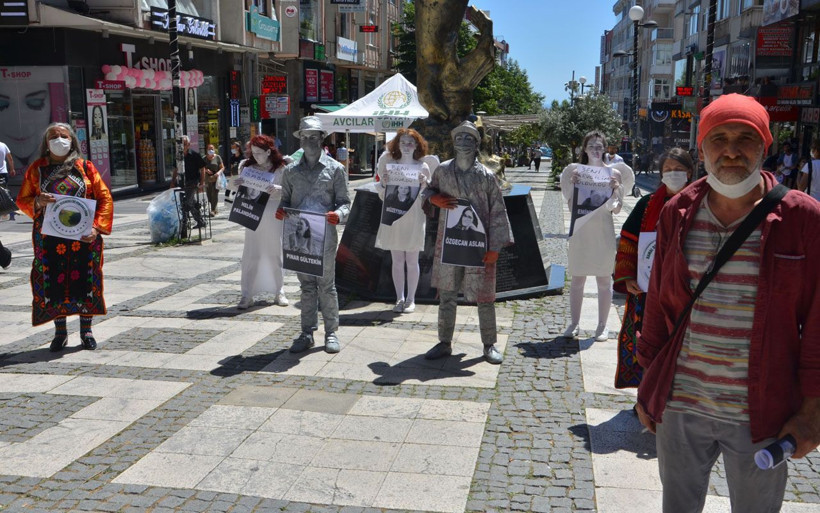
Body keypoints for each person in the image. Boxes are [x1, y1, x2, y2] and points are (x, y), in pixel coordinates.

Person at [635, 93, 820, 513]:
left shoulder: (803, 219)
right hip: (681, 402)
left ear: (765, 146)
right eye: (719, 139)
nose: (732, 151)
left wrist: (813, 411)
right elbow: (658, 304)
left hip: (763, 411)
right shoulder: (677, 212)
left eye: (745, 139)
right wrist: (648, 385)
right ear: (701, 149)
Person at [15, 122, 113, 351]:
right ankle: (60, 333)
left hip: (84, 238)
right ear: (46, 143)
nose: (59, 140)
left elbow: (105, 198)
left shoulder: (85, 167)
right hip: (49, 239)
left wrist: (97, 228)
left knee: (86, 281)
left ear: (72, 141)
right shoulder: (37, 169)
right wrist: (37, 201)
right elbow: (22, 199)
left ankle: (86, 331)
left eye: (64, 136)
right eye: (54, 136)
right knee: (53, 282)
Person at [421, 121, 512, 365]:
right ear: (453, 142)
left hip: (478, 244)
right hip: (450, 243)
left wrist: (495, 248)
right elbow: (427, 191)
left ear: (477, 144)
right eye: (459, 138)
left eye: (469, 138)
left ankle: (489, 343)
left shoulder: (486, 175)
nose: (463, 142)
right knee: (447, 293)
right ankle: (444, 341)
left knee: (485, 296)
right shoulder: (443, 170)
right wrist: (434, 199)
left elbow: (498, 211)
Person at [613, 148, 694, 390]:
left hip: (687, 293)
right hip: (648, 293)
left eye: (678, 169)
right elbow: (629, 240)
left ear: (690, 173)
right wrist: (628, 276)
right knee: (648, 343)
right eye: (668, 170)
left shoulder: (701, 205)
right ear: (660, 174)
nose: (673, 174)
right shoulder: (647, 205)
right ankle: (646, 396)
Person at [276, 116, 350, 354]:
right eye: (304, 136)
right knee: (307, 286)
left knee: (326, 286)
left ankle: (331, 332)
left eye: (313, 136)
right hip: (299, 238)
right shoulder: (290, 171)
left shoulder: (335, 169)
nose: (308, 141)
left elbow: (345, 203)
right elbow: (285, 201)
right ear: (300, 139)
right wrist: (281, 211)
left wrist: (338, 214)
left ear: (321, 139)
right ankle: (307, 332)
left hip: (324, 236)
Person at [560, 131, 634, 341]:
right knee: (577, 279)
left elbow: (616, 209)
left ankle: (602, 325)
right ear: (584, 149)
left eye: (599, 146)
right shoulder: (576, 172)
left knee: (604, 280)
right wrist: (575, 185)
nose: (595, 150)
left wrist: (616, 190)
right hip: (581, 230)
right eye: (591, 146)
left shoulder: (614, 173)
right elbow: (571, 206)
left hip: (603, 231)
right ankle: (574, 323)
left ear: (605, 149)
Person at [375, 128, 431, 313]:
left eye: (411, 143)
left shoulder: (423, 167)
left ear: (417, 145)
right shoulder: (390, 165)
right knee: (397, 260)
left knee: (412, 259)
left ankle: (411, 299)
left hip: (414, 217)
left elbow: (427, 197)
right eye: (403, 142)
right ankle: (399, 298)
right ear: (397, 144)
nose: (407, 146)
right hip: (394, 217)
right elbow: (383, 195)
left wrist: (424, 184)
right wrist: (384, 183)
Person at [236, 134, 288, 310]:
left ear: (268, 152)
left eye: (259, 152)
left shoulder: (280, 168)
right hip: (253, 212)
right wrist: (238, 184)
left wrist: (278, 189)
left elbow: (289, 190)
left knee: (275, 252)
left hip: (273, 212)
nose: (256, 156)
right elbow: (240, 191)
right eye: (253, 152)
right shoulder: (246, 166)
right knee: (252, 253)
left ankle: (279, 290)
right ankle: (247, 293)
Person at [171, 135, 206, 232]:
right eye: (180, 144)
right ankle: (200, 221)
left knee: (187, 203)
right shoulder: (179, 156)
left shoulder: (194, 155)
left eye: (185, 144)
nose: (183, 146)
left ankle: (184, 224)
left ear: (189, 145)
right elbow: (176, 169)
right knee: (191, 202)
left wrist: (201, 183)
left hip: (193, 182)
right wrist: (173, 181)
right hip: (183, 182)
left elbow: (202, 168)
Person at [203, 143, 224, 217]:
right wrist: (206, 170)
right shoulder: (204, 158)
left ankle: (212, 210)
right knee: (209, 195)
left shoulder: (217, 157)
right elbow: (201, 168)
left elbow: (222, 167)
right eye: (209, 149)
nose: (211, 150)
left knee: (214, 194)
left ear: (214, 149)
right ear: (207, 150)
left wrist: (218, 173)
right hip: (207, 179)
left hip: (216, 178)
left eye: (212, 149)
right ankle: (215, 209)